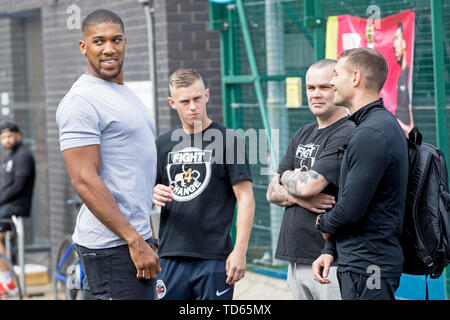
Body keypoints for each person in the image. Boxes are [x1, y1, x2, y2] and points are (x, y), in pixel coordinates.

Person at [56, 9, 160, 300]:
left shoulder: (124, 94)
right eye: (98, 41)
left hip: (131, 240)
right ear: (83, 46)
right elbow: (84, 180)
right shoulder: (81, 100)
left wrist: (146, 234)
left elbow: (133, 174)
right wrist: (134, 239)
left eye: (116, 40)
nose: (109, 49)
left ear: (125, 42)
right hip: (113, 246)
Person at [312, 48, 409, 300]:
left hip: (370, 267)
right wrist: (330, 249)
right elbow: (356, 199)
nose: (332, 82)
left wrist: (323, 223)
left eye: (336, 74)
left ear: (355, 78)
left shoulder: (373, 133)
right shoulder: (370, 127)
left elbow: (351, 209)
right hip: (360, 264)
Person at [152, 68, 255, 300]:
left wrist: (240, 251)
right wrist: (152, 193)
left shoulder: (229, 140)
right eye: (185, 101)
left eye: (197, 99)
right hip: (170, 255)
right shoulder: (162, 144)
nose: (193, 107)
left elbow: (246, 198)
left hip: (215, 257)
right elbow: (143, 196)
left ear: (207, 95)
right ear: (172, 102)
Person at [266, 59, 354, 300]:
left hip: (329, 260)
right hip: (295, 257)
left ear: (339, 87)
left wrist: (285, 176)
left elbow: (309, 185)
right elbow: (271, 192)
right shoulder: (302, 133)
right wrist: (300, 199)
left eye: (324, 87)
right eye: (310, 88)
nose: (316, 94)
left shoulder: (347, 132)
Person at [0, 122, 35, 299]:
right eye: (4, 137)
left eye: (10, 136)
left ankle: (8, 283)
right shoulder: (8, 159)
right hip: (6, 204)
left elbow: (18, 187)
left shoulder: (24, 156)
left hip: (17, 205)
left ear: (18, 135)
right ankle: (6, 282)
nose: (7, 140)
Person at [393, 22, 414, 135]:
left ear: (405, 43)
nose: (394, 44)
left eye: (397, 38)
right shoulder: (400, 74)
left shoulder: (410, 75)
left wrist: (407, 129)